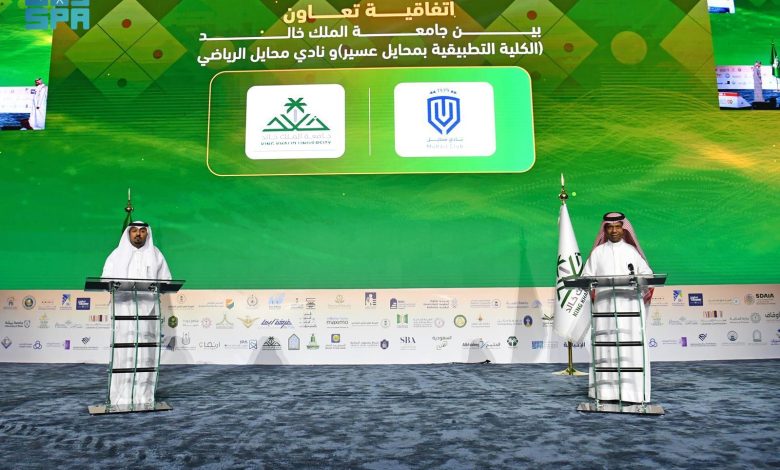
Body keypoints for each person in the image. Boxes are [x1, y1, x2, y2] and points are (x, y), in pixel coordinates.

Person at [581, 212, 653, 404]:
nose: (614, 231)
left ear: (624, 229)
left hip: (629, 308)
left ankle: (633, 393)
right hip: (604, 309)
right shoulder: (597, 253)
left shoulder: (632, 252)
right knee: (606, 346)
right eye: (610, 227)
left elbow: (648, 275)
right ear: (605, 229)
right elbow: (586, 277)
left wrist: (638, 280)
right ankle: (605, 393)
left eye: (618, 227)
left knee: (630, 349)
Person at [102, 221, 172, 409]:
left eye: (142, 231)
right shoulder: (116, 255)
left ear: (147, 234)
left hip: (148, 313)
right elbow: (105, 280)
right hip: (123, 311)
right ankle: (121, 397)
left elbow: (167, 281)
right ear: (128, 234)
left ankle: (144, 397)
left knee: (145, 354)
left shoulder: (156, 255)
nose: (138, 234)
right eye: (134, 231)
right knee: (124, 353)